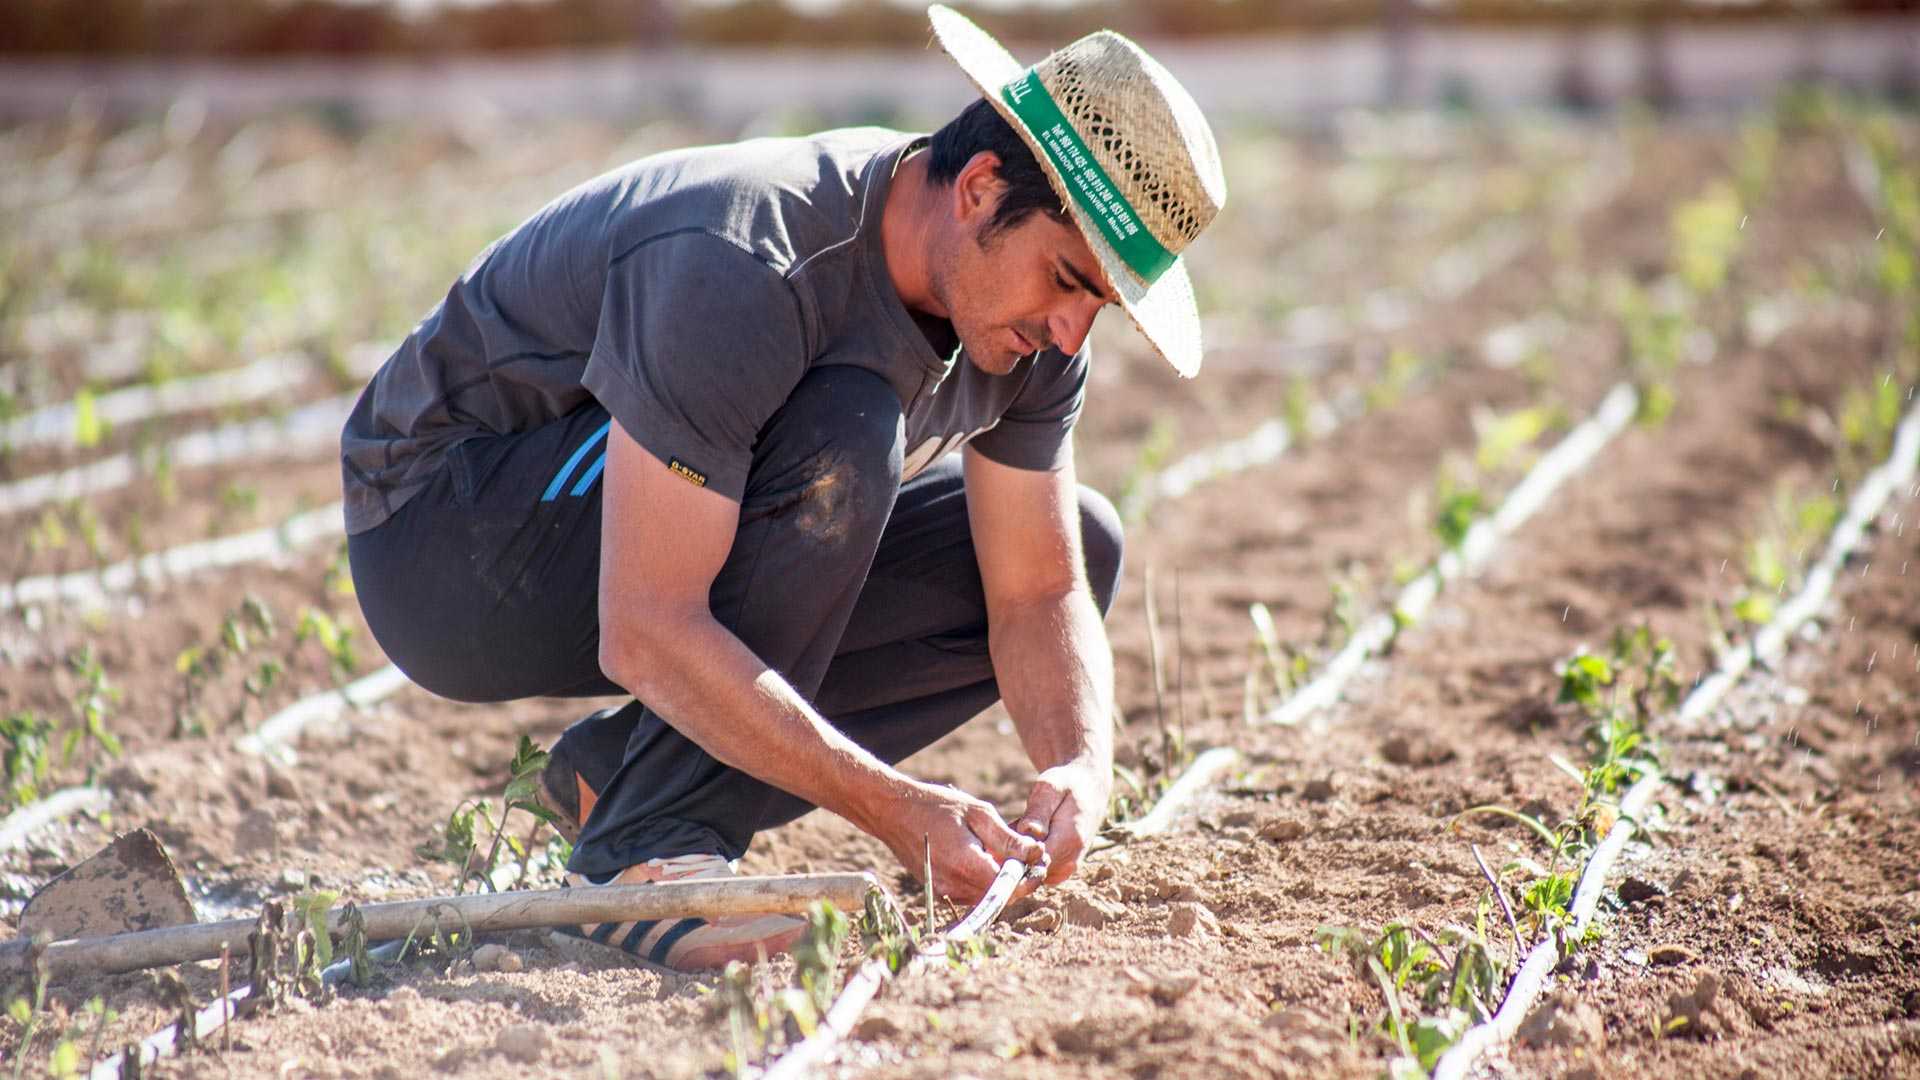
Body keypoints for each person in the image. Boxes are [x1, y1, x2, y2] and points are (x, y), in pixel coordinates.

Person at [341, 4, 1226, 971]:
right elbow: (645, 622)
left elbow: (1035, 591)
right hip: (441, 537)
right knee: (845, 431)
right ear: (979, 189)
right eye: (1066, 278)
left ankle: (619, 781)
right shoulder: (754, 260)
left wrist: (1079, 770)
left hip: (619, 536)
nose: (1069, 332)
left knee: (1081, 540)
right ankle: (639, 855)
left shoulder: (1033, 341)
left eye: (1097, 302)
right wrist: (894, 806)